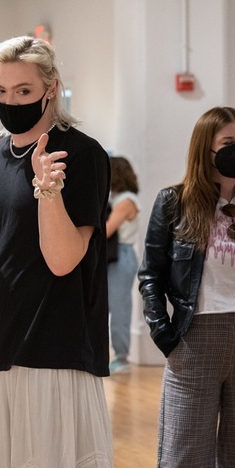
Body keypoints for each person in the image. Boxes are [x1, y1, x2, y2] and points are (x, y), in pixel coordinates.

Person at [0, 36, 116, 468]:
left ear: (51, 87)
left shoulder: (81, 154)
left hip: (56, 346)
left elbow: (63, 260)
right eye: (0, 92)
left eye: (23, 91)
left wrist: (47, 191)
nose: (10, 102)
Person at [138, 106, 235, 468]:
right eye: (228, 143)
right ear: (205, 149)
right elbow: (150, 276)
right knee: (183, 464)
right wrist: (165, 336)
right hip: (195, 341)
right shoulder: (174, 201)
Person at [105, 156, 140, 374]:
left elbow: (107, 229)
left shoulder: (126, 200)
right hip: (115, 256)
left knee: (119, 308)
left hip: (122, 255)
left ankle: (121, 357)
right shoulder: (117, 198)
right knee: (112, 307)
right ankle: (118, 355)